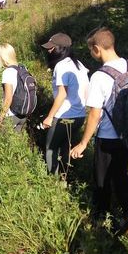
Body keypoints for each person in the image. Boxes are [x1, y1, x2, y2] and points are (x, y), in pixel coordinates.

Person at [71, 27, 128, 233]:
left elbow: (94, 114)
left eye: (91, 50)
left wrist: (83, 142)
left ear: (96, 49)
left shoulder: (99, 76)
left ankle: (100, 220)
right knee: (120, 173)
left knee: (102, 178)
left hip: (108, 137)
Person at [41, 33, 89, 175]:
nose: (48, 51)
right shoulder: (79, 64)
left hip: (64, 116)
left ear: (60, 48)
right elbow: (86, 88)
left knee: (51, 148)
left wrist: (50, 117)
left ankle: (52, 182)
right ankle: (64, 178)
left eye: (51, 48)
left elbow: (62, 94)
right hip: (79, 116)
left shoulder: (61, 66)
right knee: (64, 147)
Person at [0, 43, 28, 132]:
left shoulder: (8, 72)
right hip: (22, 115)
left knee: (2, 144)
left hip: (11, 116)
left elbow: (8, 98)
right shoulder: (23, 68)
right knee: (18, 144)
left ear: (2, 57)